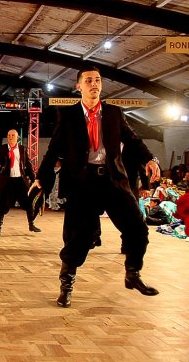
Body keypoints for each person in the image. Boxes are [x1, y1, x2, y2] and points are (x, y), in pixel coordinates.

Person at [32, 65, 161, 308]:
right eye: (89, 80)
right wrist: (42, 178)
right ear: (79, 86)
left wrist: (150, 159)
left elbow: (133, 140)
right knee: (78, 238)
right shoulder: (68, 115)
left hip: (113, 181)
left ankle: (132, 273)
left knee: (137, 228)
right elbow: (53, 149)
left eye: (98, 80)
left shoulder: (113, 113)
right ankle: (66, 284)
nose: (94, 84)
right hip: (83, 184)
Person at [0, 129, 41, 236]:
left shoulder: (22, 149)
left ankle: (31, 224)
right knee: (2, 204)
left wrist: (34, 179)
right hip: (7, 181)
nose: (10, 137)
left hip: (20, 180)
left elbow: (28, 165)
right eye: (9, 135)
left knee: (29, 202)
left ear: (17, 138)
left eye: (13, 135)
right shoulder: (2, 149)